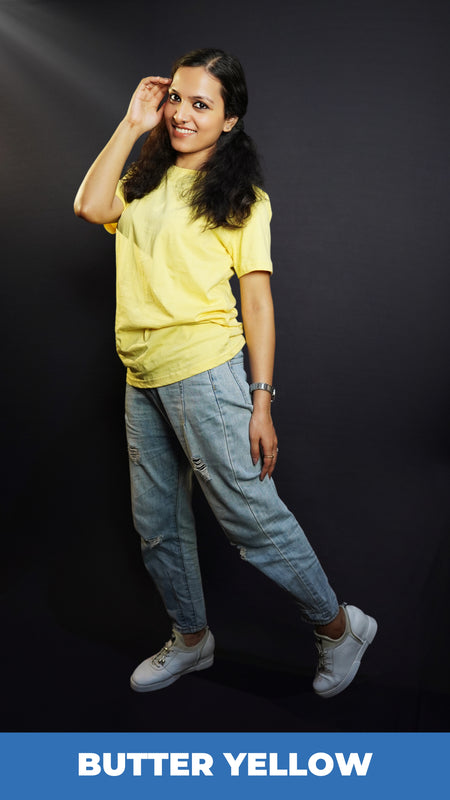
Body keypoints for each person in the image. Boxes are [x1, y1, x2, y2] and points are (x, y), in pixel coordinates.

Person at [74, 48, 377, 698]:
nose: (181, 114)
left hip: (205, 376)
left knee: (251, 520)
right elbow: (90, 206)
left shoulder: (241, 197)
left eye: (201, 104)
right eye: (175, 99)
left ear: (230, 119)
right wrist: (131, 124)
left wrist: (260, 401)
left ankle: (338, 628)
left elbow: (257, 302)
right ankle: (192, 641)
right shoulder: (145, 181)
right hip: (141, 376)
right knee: (156, 526)